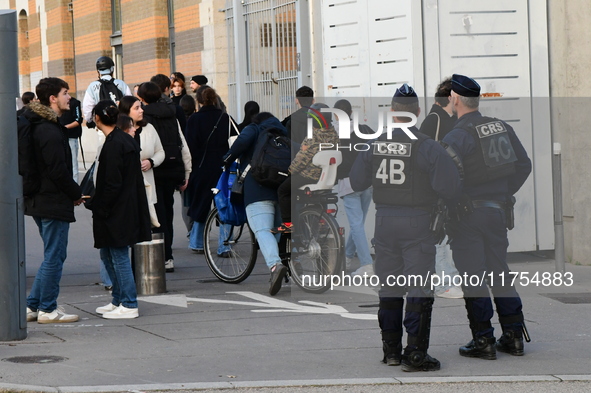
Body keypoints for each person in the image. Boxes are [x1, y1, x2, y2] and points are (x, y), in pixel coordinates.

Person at [349, 84, 461, 372]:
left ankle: (391, 351)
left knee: (389, 288)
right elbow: (448, 187)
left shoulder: (374, 144)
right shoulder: (427, 146)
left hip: (384, 223)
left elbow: (357, 182)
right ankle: (415, 352)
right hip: (418, 224)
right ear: (418, 112)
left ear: (392, 112)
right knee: (420, 289)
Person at [442, 74, 532, 359]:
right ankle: (514, 336)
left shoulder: (457, 135)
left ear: (455, 99)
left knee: (473, 277)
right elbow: (524, 165)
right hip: (497, 213)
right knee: (500, 273)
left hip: (468, 216)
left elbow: (445, 181)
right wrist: (503, 194)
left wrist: (454, 204)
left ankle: (483, 340)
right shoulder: (500, 127)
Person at [24, 77, 84, 324]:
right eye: (65, 93)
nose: (69, 97)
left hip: (40, 199)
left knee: (52, 254)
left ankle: (33, 306)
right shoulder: (49, 129)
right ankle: (48, 309)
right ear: (52, 99)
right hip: (51, 200)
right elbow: (58, 170)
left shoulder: (39, 123)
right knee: (55, 255)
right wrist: (76, 193)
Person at [91, 100, 152, 319]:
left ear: (97, 118)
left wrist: (100, 206)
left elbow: (112, 183)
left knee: (117, 256)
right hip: (125, 205)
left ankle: (128, 302)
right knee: (109, 254)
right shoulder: (123, 140)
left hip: (117, 208)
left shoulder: (114, 144)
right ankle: (118, 298)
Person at [223, 112, 289, 296]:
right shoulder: (283, 133)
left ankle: (275, 266)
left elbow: (240, 143)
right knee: (276, 230)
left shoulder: (254, 128)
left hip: (257, 188)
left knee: (262, 231)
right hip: (282, 191)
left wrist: (226, 158)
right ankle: (284, 265)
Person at [138, 82, 192, 273]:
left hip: (152, 170)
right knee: (167, 213)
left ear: (142, 98)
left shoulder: (143, 117)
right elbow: (182, 145)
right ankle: (168, 256)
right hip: (172, 169)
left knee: (154, 214)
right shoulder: (172, 114)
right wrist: (186, 172)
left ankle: (158, 255)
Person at [419, 77, 463, 299]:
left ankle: (450, 279)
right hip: (436, 188)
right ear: (449, 97)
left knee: (444, 235)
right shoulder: (435, 119)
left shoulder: (443, 117)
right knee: (439, 236)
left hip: (445, 186)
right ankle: (444, 283)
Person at [276, 103, 339, 233]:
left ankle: (288, 224)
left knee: (283, 190)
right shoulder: (334, 135)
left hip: (308, 176)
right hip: (325, 177)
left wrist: (289, 171)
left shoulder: (312, 137)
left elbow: (301, 161)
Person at [185, 87, 232, 253]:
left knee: (201, 204)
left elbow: (190, 146)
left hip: (201, 167)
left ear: (198, 100)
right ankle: (224, 245)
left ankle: (197, 242)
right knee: (224, 205)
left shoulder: (194, 119)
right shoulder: (224, 117)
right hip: (222, 166)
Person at [333, 99, 374, 276]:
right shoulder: (363, 129)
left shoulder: (335, 134)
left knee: (356, 224)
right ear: (350, 113)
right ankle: (348, 257)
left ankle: (367, 264)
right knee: (358, 224)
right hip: (367, 183)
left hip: (348, 184)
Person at [82, 56, 132, 127]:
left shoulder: (92, 86)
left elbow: (88, 106)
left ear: (98, 70)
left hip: (103, 124)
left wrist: (89, 120)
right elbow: (129, 102)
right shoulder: (121, 84)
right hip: (121, 123)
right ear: (112, 69)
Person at [59, 95, 83, 182]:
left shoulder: (74, 103)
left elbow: (78, 120)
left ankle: (75, 185)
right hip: (60, 136)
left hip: (71, 136)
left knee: (73, 163)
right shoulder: (56, 103)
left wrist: (65, 127)